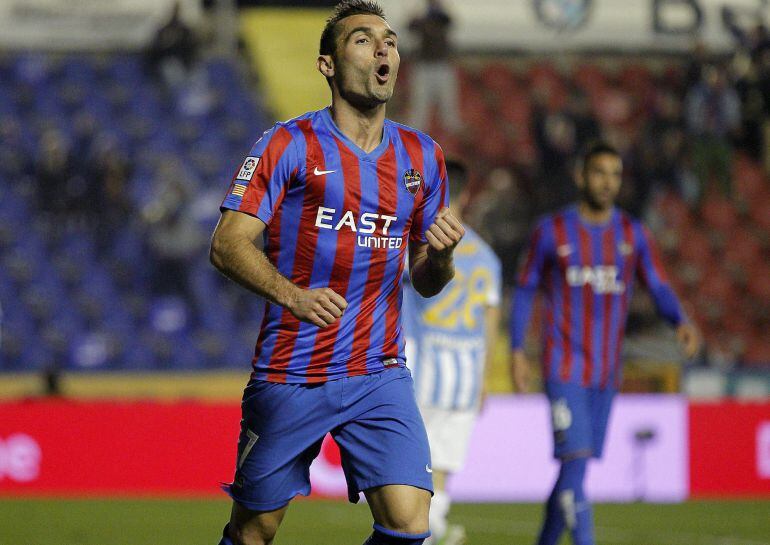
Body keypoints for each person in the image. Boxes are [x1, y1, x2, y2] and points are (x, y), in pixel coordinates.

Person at [209, 2, 464, 545]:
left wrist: (439, 258)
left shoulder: (423, 157)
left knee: (409, 523)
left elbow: (425, 279)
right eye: (363, 40)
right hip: (291, 372)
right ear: (327, 64)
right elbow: (227, 244)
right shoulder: (289, 143)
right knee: (254, 530)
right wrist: (293, 296)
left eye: (390, 41)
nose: (383, 50)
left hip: (380, 371)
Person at [509, 142, 700, 545]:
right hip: (563, 369)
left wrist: (679, 320)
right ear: (581, 175)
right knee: (575, 466)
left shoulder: (633, 234)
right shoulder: (551, 231)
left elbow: (658, 283)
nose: (608, 182)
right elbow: (525, 290)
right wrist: (515, 350)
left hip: (606, 372)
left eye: (615, 174)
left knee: (570, 472)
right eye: (600, 172)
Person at [402, 160, 501, 545]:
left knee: (417, 457)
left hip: (421, 367)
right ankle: (434, 526)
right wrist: (485, 377)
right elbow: (490, 321)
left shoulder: (417, 243)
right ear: (466, 193)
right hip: (465, 372)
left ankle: (423, 529)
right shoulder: (487, 257)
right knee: (443, 462)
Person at [407, 0, 461, 134]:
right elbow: (410, 26)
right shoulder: (421, 19)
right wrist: (417, 11)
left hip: (442, 66)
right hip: (423, 67)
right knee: (419, 106)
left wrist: (440, 8)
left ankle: (452, 134)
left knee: (448, 105)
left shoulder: (442, 18)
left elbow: (450, 20)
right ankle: (415, 133)